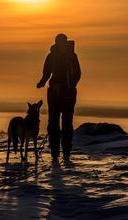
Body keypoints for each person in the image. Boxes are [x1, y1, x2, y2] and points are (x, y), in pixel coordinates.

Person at [37, 34, 81, 162]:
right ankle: (61, 153)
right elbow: (78, 74)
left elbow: (47, 73)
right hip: (63, 94)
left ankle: (60, 153)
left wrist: (42, 82)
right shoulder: (66, 56)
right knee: (61, 123)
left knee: (58, 123)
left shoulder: (65, 56)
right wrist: (42, 82)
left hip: (61, 93)